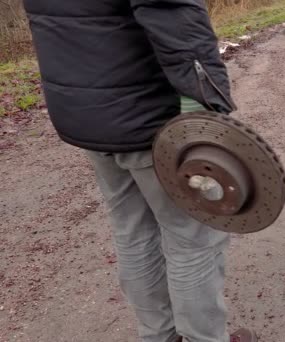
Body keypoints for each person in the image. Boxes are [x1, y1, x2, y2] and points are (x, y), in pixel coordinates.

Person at [23, 0, 254, 341]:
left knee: (132, 231)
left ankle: (158, 336)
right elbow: (172, 12)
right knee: (192, 238)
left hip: (84, 112)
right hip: (151, 120)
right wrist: (201, 106)